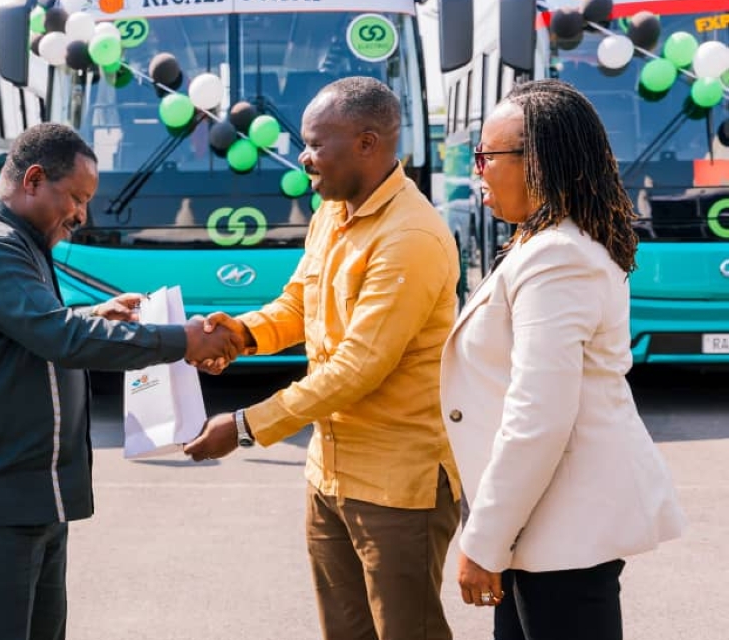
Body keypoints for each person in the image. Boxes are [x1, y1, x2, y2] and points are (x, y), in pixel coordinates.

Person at [0, 122, 243, 640]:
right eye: (77, 198)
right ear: (34, 180)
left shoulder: (20, 238)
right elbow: (58, 336)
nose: (82, 215)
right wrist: (182, 341)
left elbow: (29, 326)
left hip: (28, 495)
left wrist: (96, 312)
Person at [184, 77, 462, 640]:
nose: (303, 157)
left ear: (367, 143)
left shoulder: (410, 236)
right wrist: (239, 334)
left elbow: (359, 367)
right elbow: (298, 302)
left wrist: (243, 428)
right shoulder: (332, 214)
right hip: (329, 474)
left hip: (397, 486)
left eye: (315, 143)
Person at [441, 79, 685, 639]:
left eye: (487, 155)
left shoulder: (556, 258)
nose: (477, 169)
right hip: (541, 530)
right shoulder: (542, 244)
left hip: (562, 532)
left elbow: (538, 417)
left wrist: (484, 540)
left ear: (540, 163)